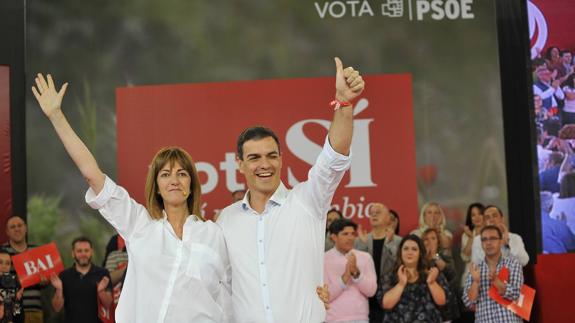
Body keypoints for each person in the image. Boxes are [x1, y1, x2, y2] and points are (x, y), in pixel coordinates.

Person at [32, 73, 232, 322]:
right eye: (166, 174)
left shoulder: (214, 234)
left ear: (191, 184)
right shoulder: (140, 226)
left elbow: (227, 300)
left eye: (182, 174)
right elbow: (93, 176)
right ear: (157, 186)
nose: (174, 180)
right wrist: (57, 117)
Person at [216, 57, 364, 322]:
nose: (264, 165)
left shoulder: (308, 201)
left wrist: (344, 103)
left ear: (281, 158)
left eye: (271, 156)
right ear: (239, 163)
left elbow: (333, 159)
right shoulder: (225, 220)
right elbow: (220, 286)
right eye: (254, 158)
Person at [379, 235, 450, 323]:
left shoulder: (432, 273)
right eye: (406, 249)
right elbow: (386, 304)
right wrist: (401, 284)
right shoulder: (389, 276)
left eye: (414, 249)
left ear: (420, 253)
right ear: (400, 252)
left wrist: (431, 283)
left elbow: (442, 302)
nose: (410, 252)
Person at [462, 225, 524, 323]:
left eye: (493, 238)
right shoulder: (475, 268)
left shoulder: (513, 263)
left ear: (500, 241)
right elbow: (468, 302)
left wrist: (496, 281)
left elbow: (517, 294)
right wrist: (476, 282)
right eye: (484, 240)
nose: (488, 243)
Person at [324, 219, 376, 323]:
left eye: (353, 234)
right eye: (345, 234)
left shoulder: (365, 257)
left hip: (361, 319)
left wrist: (356, 273)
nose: (350, 237)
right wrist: (345, 277)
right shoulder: (323, 260)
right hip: (333, 320)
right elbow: (325, 296)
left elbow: (371, 291)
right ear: (334, 237)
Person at [355, 203, 400, 323]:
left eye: (378, 212)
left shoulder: (398, 241)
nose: (374, 215)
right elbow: (356, 270)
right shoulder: (360, 241)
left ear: (388, 218)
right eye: (371, 213)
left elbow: (399, 266)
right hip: (366, 300)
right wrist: (363, 246)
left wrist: (389, 244)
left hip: (389, 298)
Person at [50, 237, 113, 323]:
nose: (83, 254)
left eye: (86, 250)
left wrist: (101, 291)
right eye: (79, 251)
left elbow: (108, 305)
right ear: (73, 253)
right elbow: (56, 308)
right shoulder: (64, 275)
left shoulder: (103, 273)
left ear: (91, 252)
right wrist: (59, 289)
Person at [1, 216, 44, 323]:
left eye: (20, 225)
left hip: (34, 310)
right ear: (7, 231)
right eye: (13, 227)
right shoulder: (2, 253)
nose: (17, 229)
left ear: (26, 228)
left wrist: (45, 280)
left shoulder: (37, 251)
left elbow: (44, 282)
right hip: (9, 311)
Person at [422, 229, 459, 322]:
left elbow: (452, 276)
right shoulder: (418, 260)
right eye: (426, 239)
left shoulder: (445, 257)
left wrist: (435, 256)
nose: (429, 241)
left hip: (445, 310)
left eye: (433, 238)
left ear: (438, 242)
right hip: (424, 309)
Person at [0, 250, 23, 323]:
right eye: (0, 262)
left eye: (7, 263)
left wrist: (17, 300)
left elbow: (18, 314)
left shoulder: (15, 287)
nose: (4, 266)